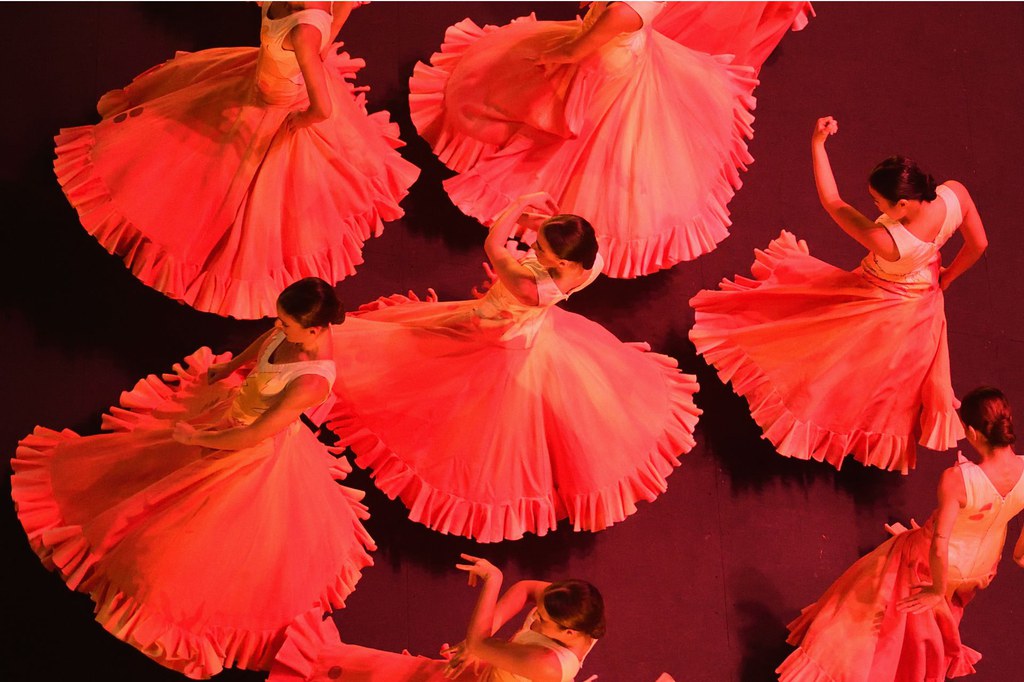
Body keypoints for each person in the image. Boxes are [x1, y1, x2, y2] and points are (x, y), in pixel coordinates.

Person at [11, 278, 376, 679]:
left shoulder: (313, 381)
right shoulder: (289, 330)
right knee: (145, 466)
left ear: (315, 329)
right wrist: (232, 365)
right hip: (231, 415)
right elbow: (268, 342)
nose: (279, 325)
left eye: (287, 323)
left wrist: (198, 437)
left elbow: (255, 435)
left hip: (244, 449)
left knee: (191, 538)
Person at [327, 191, 702, 543]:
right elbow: (550, 237)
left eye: (541, 248)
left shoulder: (526, 283)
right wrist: (541, 221)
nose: (533, 248)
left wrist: (519, 204)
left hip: (496, 335)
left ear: (561, 261)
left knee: (435, 368)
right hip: (535, 330)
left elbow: (493, 244)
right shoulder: (592, 264)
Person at [54, 2, 420, 319]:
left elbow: (322, 108)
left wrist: (300, 118)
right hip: (266, 87)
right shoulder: (305, 24)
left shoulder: (302, 28)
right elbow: (335, 20)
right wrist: (316, 65)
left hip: (274, 97)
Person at [689, 116, 988, 473]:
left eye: (878, 202)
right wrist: (949, 276)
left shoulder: (887, 241)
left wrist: (817, 143)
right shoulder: (955, 193)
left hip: (879, 299)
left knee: (830, 358)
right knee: (873, 379)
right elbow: (979, 243)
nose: (875, 207)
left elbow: (832, 201)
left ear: (903, 204)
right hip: (920, 302)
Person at [409, 1, 764, 277]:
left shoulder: (626, 11)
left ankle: (536, 202)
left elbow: (576, 51)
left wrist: (548, 57)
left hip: (601, 63)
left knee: (572, 135)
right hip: (621, 51)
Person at [777, 386, 1024, 681]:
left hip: (939, 563)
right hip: (980, 569)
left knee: (870, 597)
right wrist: (1020, 553)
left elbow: (939, 544)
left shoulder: (958, 479)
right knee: (920, 626)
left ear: (971, 431)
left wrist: (935, 588)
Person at [267, 554, 604, 682]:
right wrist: (482, 648)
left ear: (569, 632)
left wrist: (494, 580)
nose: (533, 620)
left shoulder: (546, 664)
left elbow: (477, 641)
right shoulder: (579, 614)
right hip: (492, 667)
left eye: (542, 620)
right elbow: (529, 589)